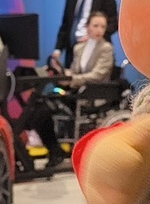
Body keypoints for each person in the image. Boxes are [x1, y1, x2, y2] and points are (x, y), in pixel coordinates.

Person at [33, 11, 114, 167]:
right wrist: (60, 73)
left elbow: (98, 75)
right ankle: (55, 149)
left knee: (43, 110)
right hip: (76, 92)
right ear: (88, 27)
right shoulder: (79, 48)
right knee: (39, 107)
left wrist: (71, 80)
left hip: (93, 94)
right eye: (95, 26)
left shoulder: (106, 48)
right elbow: (74, 71)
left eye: (102, 27)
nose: (99, 30)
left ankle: (55, 151)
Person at [53, 0, 118, 68]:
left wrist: (93, 36)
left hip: (95, 51)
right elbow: (66, 24)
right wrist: (58, 49)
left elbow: (113, 23)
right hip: (72, 50)